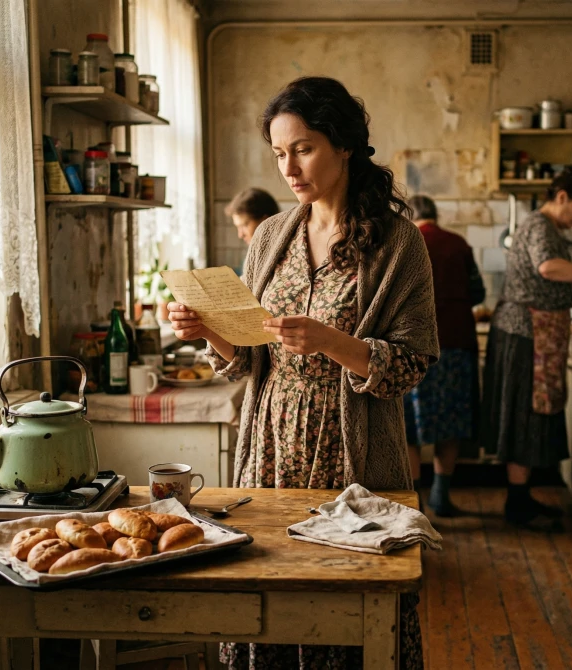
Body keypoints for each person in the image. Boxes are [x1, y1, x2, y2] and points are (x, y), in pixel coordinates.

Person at [168, 76, 436, 670]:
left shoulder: (398, 244)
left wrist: (334, 343)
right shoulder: (270, 236)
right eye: (278, 153)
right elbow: (248, 358)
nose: (289, 167)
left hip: (351, 453)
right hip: (269, 445)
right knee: (265, 595)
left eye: (303, 148)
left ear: (344, 145)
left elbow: (414, 363)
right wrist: (208, 330)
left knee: (345, 605)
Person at [481, 170, 572, 527]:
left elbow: (555, 287)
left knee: (530, 414)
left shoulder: (546, 229)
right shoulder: (539, 226)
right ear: (561, 196)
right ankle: (516, 504)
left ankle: (521, 499)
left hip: (533, 333)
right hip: (526, 332)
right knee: (525, 415)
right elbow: (548, 268)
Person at [403, 194, 484, 517]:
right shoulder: (458, 244)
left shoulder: (406, 243)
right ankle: (441, 495)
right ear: (435, 216)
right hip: (455, 343)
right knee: (450, 423)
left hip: (413, 346)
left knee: (410, 428)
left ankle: (415, 502)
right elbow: (478, 292)